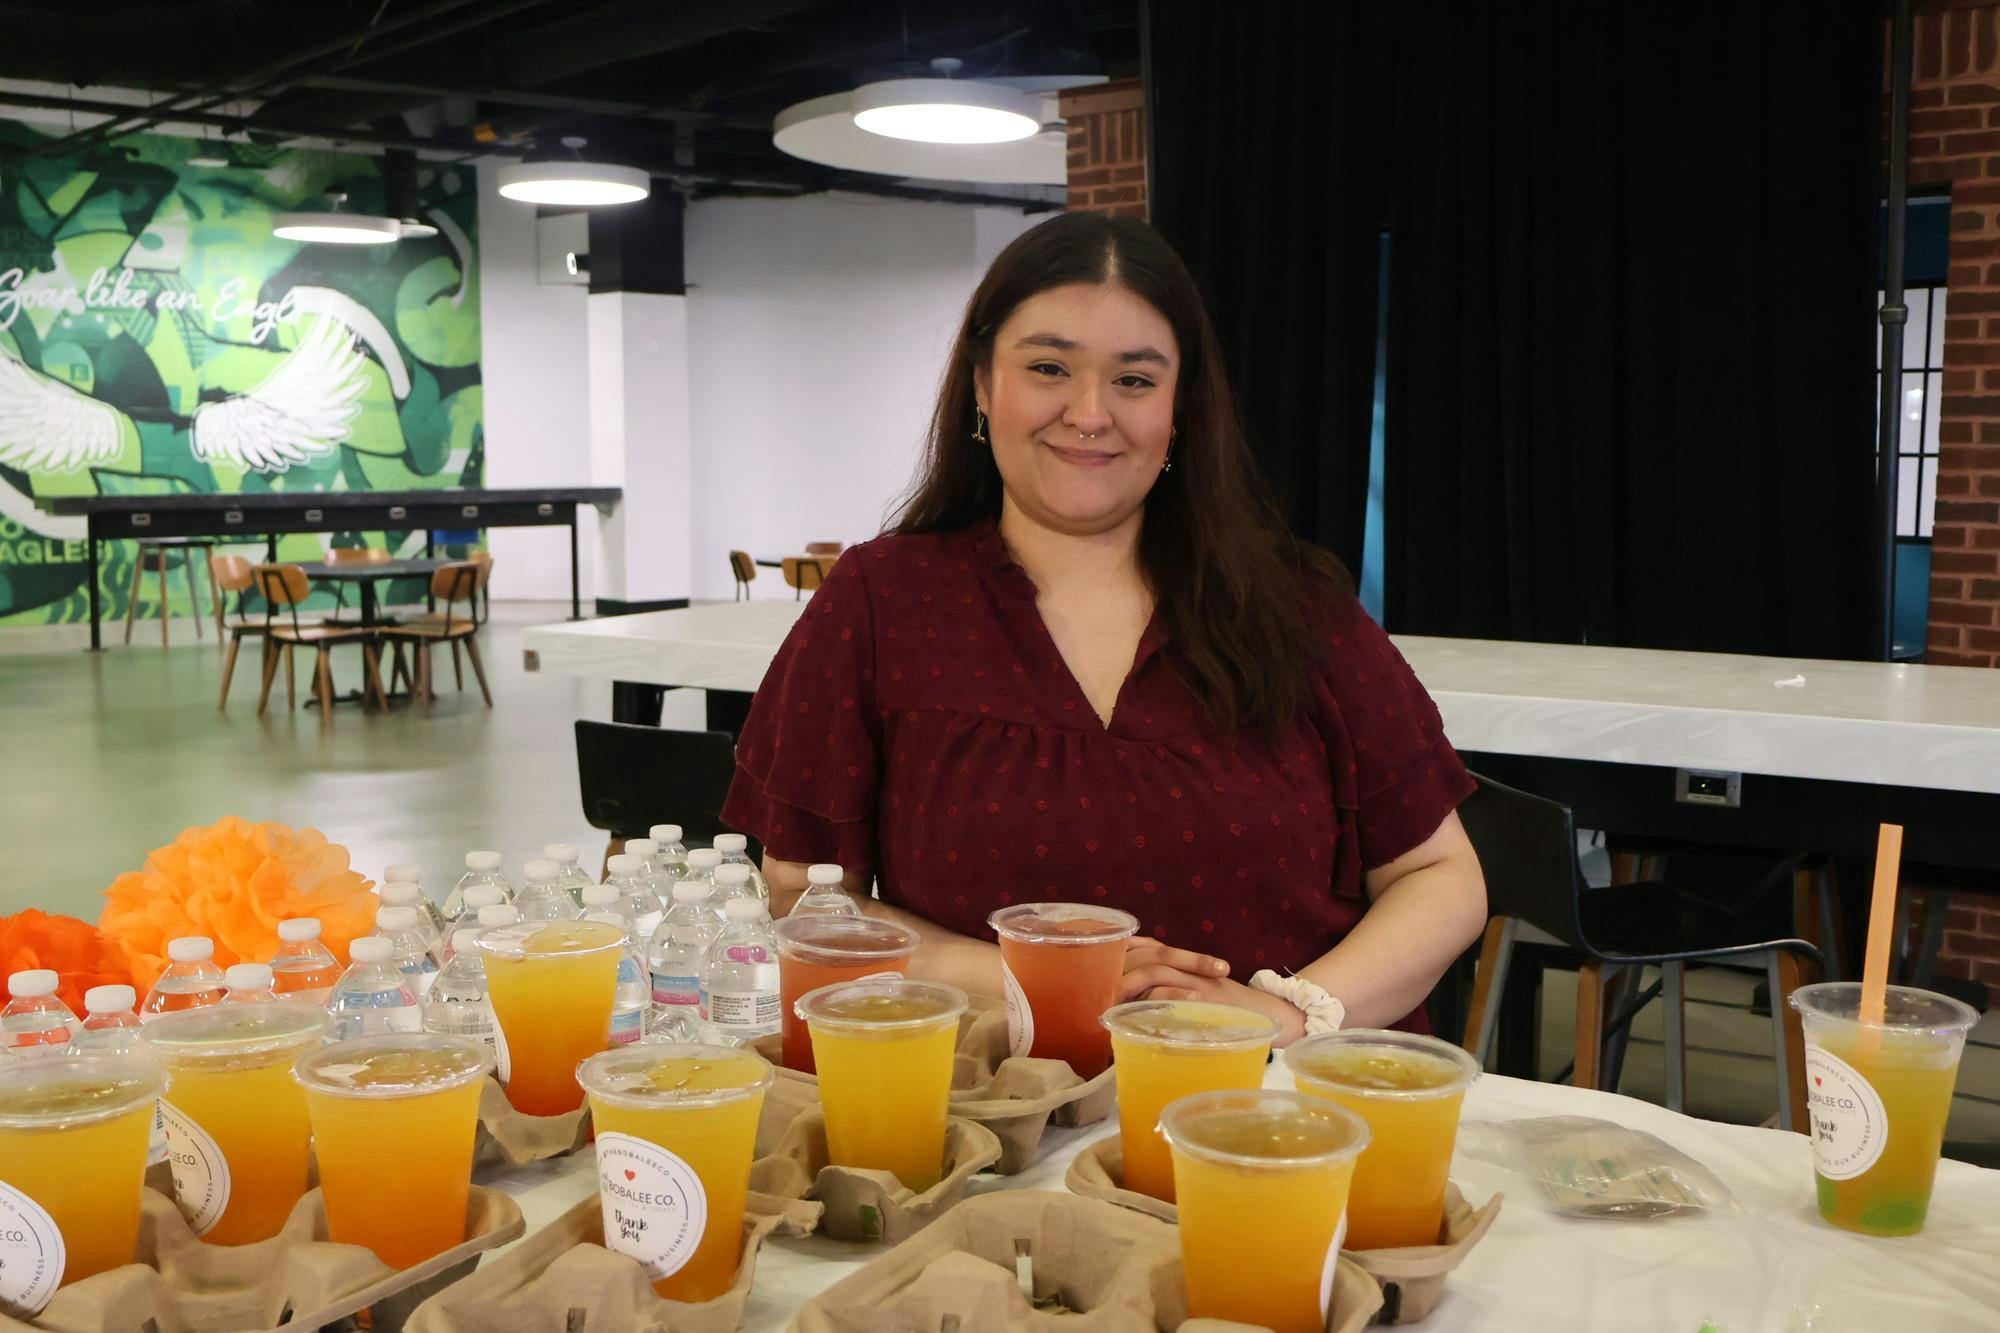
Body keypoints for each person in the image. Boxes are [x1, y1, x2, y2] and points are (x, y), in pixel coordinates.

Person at [721, 212, 1485, 1044]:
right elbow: (802, 892)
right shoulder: (881, 600)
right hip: (989, 1114)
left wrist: (1281, 1015)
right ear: (983, 384)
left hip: (1285, 1115)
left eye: (1134, 379)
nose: (1089, 414)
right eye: (1049, 367)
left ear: (1179, 407)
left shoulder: (1296, 603)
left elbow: (1440, 876)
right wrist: (1034, 976)